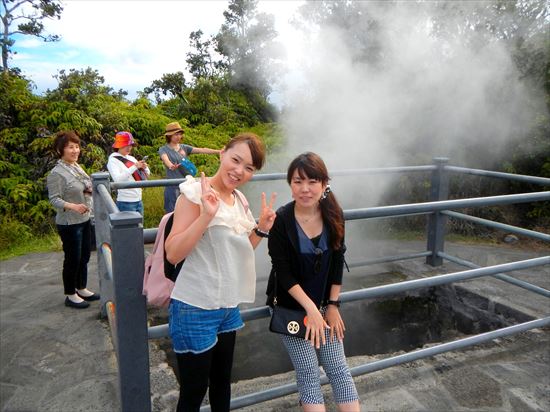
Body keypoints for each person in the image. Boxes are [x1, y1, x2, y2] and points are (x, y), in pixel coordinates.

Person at [165, 132, 276, 411]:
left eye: (249, 168)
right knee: (193, 391)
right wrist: (205, 216)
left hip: (228, 306)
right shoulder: (193, 193)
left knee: (222, 383)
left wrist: (261, 229)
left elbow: (238, 254)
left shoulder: (239, 200)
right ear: (222, 153)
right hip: (195, 306)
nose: (239, 171)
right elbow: (174, 253)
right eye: (236, 160)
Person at [265, 152, 360, 411]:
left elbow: (338, 260)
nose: (305, 189)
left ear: (324, 184)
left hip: (321, 304)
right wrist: (311, 310)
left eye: (312, 181)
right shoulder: (282, 220)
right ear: (290, 184)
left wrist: (332, 305)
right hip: (290, 305)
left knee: (338, 368)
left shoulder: (334, 214)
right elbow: (283, 273)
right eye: (298, 182)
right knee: (308, 371)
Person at [47, 131, 100, 309]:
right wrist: (73, 206)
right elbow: (54, 199)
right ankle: (70, 294)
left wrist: (87, 193)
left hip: (84, 219)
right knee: (73, 259)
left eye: (77, 146)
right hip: (69, 222)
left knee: (84, 256)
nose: (75, 150)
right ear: (60, 149)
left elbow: (82, 187)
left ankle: (81, 287)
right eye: (71, 147)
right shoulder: (57, 173)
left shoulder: (76, 167)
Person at [159, 121, 221, 213]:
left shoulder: (184, 147)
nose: (178, 137)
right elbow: (165, 159)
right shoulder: (163, 149)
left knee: (187, 212)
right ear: (169, 136)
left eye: (179, 134)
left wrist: (218, 151)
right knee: (172, 213)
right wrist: (171, 166)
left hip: (187, 186)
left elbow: (201, 150)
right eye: (175, 134)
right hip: (173, 187)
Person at [106, 131, 150, 214]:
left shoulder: (131, 158)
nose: (129, 148)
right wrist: (135, 167)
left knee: (140, 227)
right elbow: (117, 179)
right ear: (118, 145)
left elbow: (146, 175)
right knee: (128, 227)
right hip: (125, 202)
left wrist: (145, 167)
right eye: (126, 145)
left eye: (130, 145)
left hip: (139, 200)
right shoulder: (113, 160)